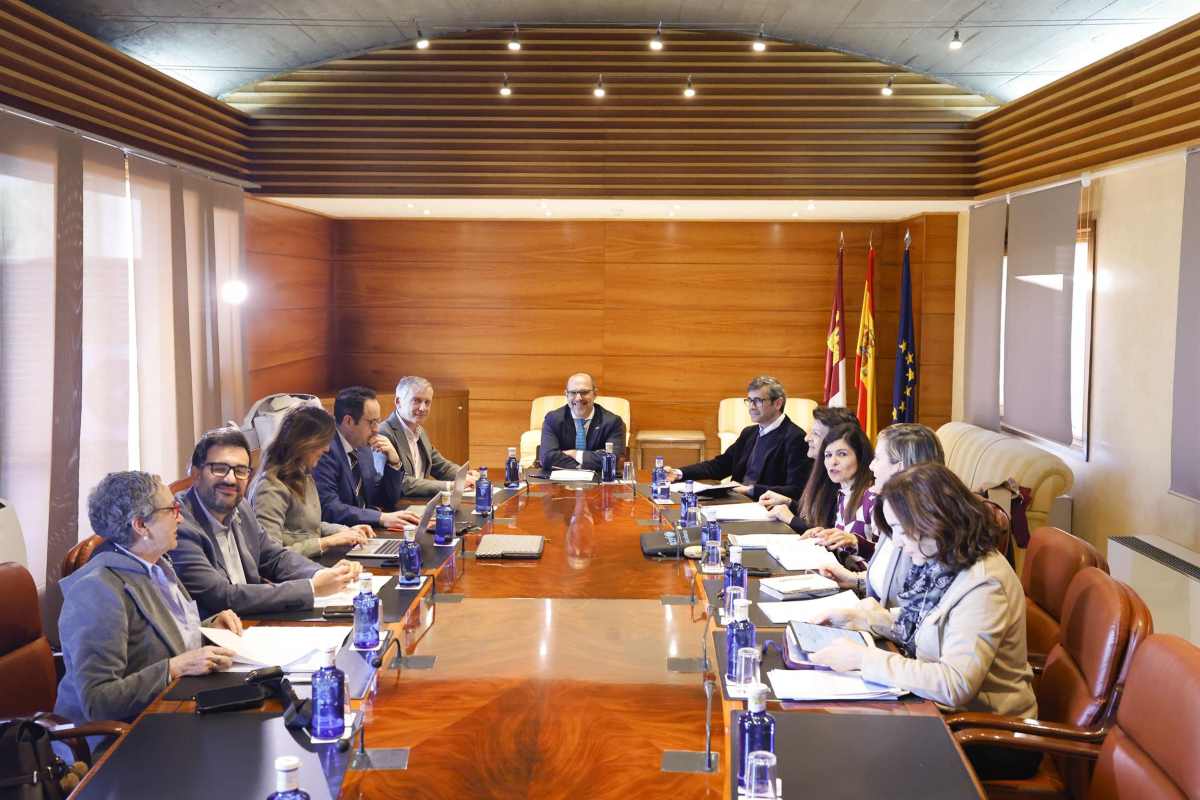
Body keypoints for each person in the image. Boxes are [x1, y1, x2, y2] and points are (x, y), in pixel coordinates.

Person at [808, 463, 1037, 734]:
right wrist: (861, 618)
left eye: (902, 530)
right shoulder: (944, 557)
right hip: (940, 713)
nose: (899, 542)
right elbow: (926, 621)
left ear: (935, 520)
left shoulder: (983, 583)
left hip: (988, 733)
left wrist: (863, 659)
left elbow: (955, 685)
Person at [56, 471, 240, 729]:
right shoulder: (97, 590)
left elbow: (160, 639)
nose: (181, 517)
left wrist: (209, 628)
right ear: (141, 525)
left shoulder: (157, 564)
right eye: (172, 509)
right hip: (123, 739)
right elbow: (98, 701)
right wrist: (173, 668)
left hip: (170, 708)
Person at [172, 426, 361, 618]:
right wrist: (311, 588)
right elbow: (222, 596)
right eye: (219, 469)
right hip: (217, 634)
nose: (230, 479)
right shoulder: (179, 524)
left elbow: (273, 556)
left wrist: (321, 575)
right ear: (195, 474)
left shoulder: (241, 507)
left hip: (254, 621)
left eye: (240, 470)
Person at [819, 423, 945, 607]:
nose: (870, 466)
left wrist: (869, 620)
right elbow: (885, 580)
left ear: (899, 467)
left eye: (877, 459)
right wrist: (854, 580)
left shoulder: (926, 532)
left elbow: (915, 611)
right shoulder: (894, 511)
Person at [249, 405, 374, 558]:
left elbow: (307, 528)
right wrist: (326, 542)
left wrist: (344, 531)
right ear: (305, 442)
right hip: (291, 577)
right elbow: (270, 556)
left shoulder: (303, 475)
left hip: (309, 566)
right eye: (324, 442)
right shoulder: (270, 486)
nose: (327, 449)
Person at [665, 376, 811, 500]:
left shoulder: (796, 438)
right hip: (736, 501)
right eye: (749, 400)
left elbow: (797, 489)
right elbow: (720, 466)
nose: (751, 407)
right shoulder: (749, 433)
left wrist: (751, 490)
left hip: (765, 508)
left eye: (758, 401)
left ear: (778, 403)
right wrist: (679, 473)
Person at [313, 386, 420, 528]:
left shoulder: (362, 447)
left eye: (378, 421)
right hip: (339, 537)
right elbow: (330, 508)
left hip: (364, 531)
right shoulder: (324, 451)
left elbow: (384, 499)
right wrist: (380, 517)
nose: (377, 429)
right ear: (348, 421)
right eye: (372, 422)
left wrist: (394, 462)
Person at [767, 424, 877, 557]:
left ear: (861, 457)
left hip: (861, 577)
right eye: (828, 455)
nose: (833, 462)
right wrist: (822, 535)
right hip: (837, 573)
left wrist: (855, 542)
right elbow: (844, 551)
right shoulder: (843, 494)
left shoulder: (874, 498)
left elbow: (889, 557)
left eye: (842, 454)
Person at [378, 375, 477, 498]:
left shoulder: (419, 430)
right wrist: (450, 486)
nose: (423, 408)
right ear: (398, 402)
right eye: (416, 401)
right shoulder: (384, 433)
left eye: (427, 402)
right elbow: (402, 483)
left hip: (419, 502)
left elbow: (441, 466)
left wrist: (465, 476)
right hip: (397, 508)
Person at [757, 405, 858, 508]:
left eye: (816, 433)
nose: (806, 438)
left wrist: (791, 519)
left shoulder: (839, 475)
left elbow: (824, 523)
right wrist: (788, 502)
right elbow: (811, 516)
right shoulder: (818, 468)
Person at [538, 372, 627, 470]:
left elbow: (614, 460)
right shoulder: (553, 419)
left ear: (595, 394)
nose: (578, 398)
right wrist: (591, 460)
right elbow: (547, 458)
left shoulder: (613, 422)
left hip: (599, 481)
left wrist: (574, 454)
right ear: (566, 394)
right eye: (573, 393)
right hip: (560, 480)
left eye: (584, 392)